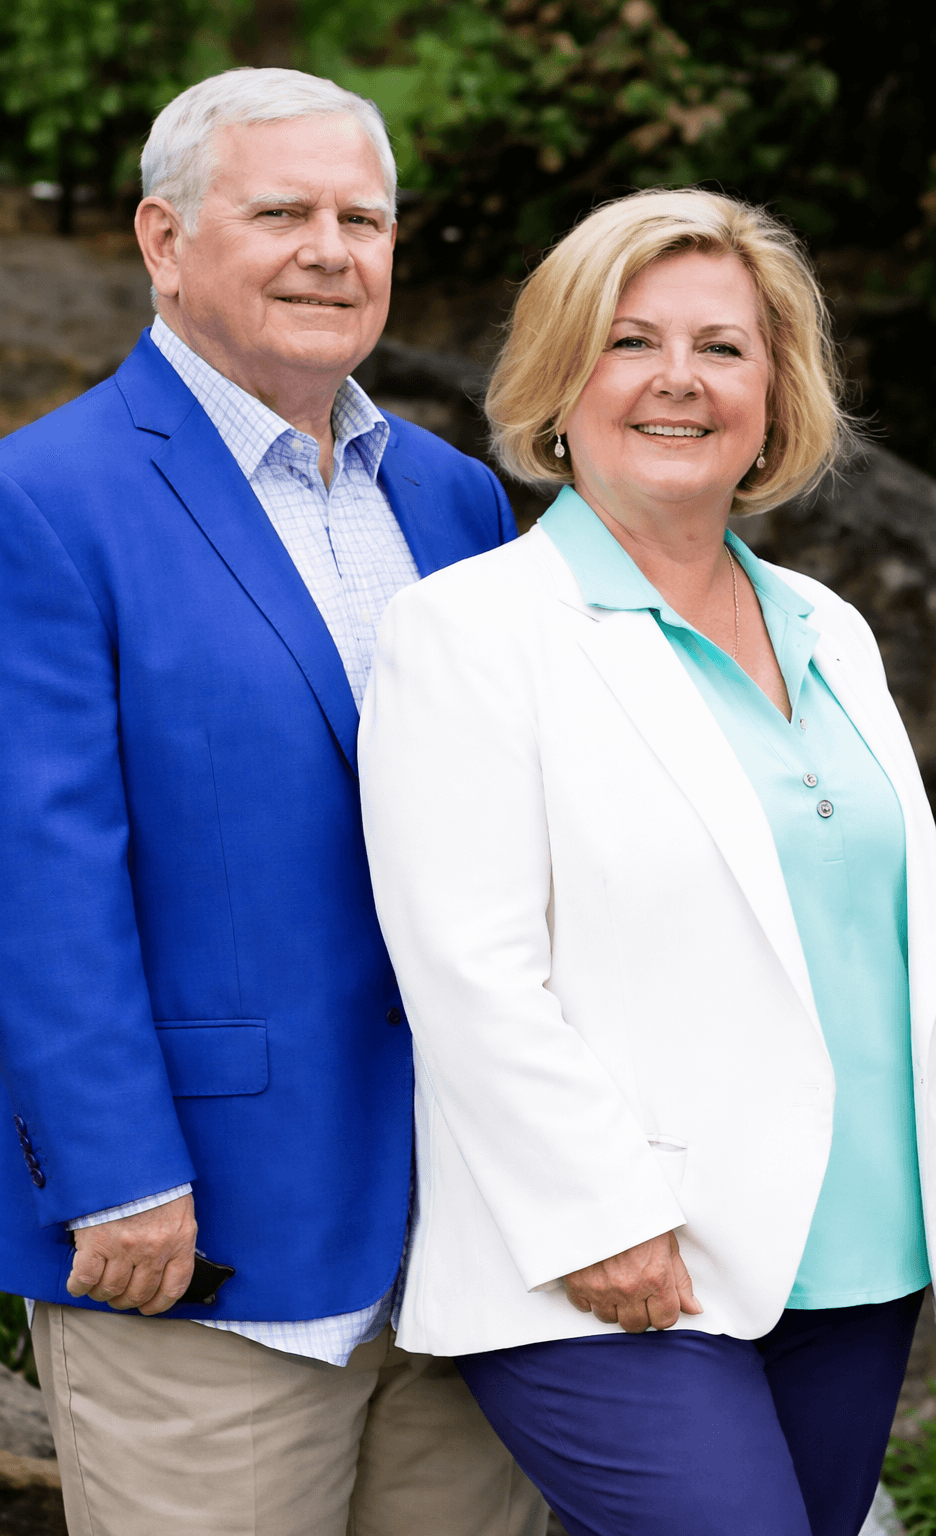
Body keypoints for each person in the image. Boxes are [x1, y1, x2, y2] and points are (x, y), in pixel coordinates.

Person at [0, 67, 547, 1536]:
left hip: (472, 1230)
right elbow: (34, 878)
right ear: (164, 239)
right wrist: (119, 1177)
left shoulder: (456, 500)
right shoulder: (38, 503)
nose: (333, 248)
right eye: (282, 212)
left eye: (364, 217)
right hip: (204, 1244)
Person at [358, 186, 936, 1536]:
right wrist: (602, 1221)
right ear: (563, 381)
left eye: (724, 348)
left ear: (776, 393)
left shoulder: (828, 627)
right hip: (616, 1268)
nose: (679, 379)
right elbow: (467, 967)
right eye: (630, 341)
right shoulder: (473, 631)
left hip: (858, 1253)